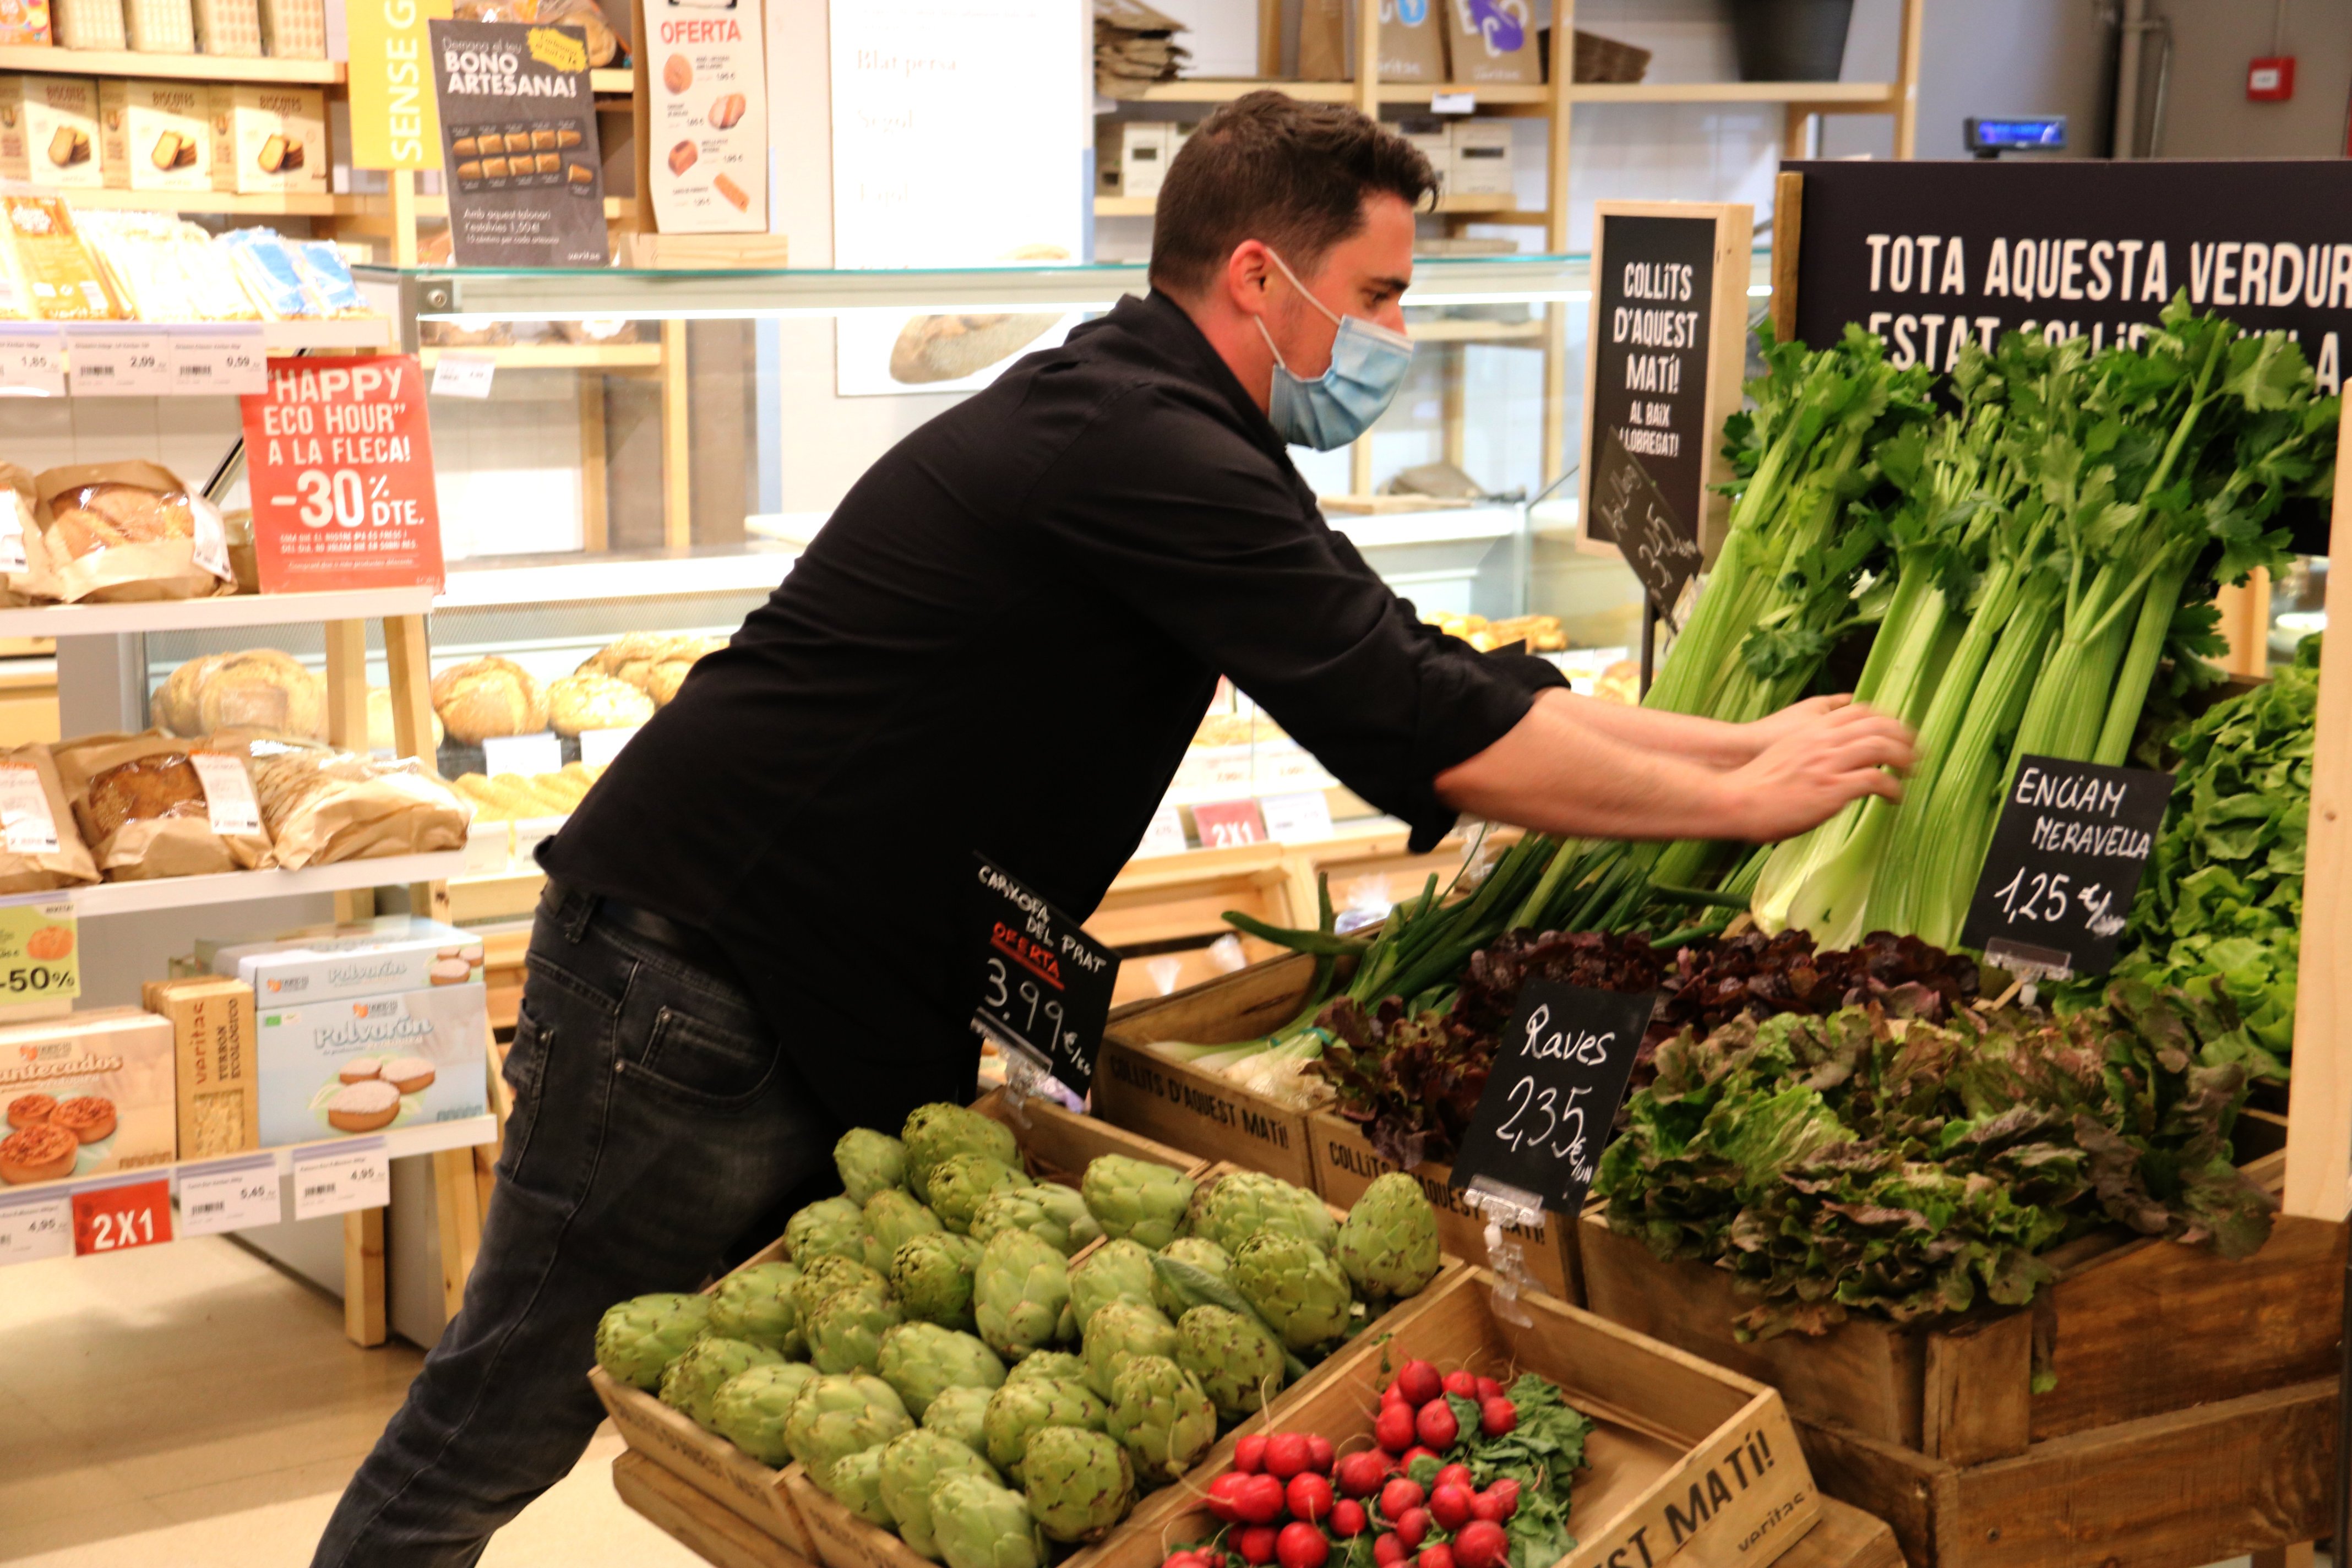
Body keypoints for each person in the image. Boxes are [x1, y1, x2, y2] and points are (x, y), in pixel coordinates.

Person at [314, 90, 1912, 1566]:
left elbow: (1423, 663)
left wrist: (1740, 740)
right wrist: (1737, 803)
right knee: (508, 1413)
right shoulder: (1145, 446)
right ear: (1256, 279)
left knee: (863, 1425)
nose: (1395, 337)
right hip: (706, 978)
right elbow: (1413, 725)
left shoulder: (1171, 420)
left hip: (820, 977)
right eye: (1377, 299)